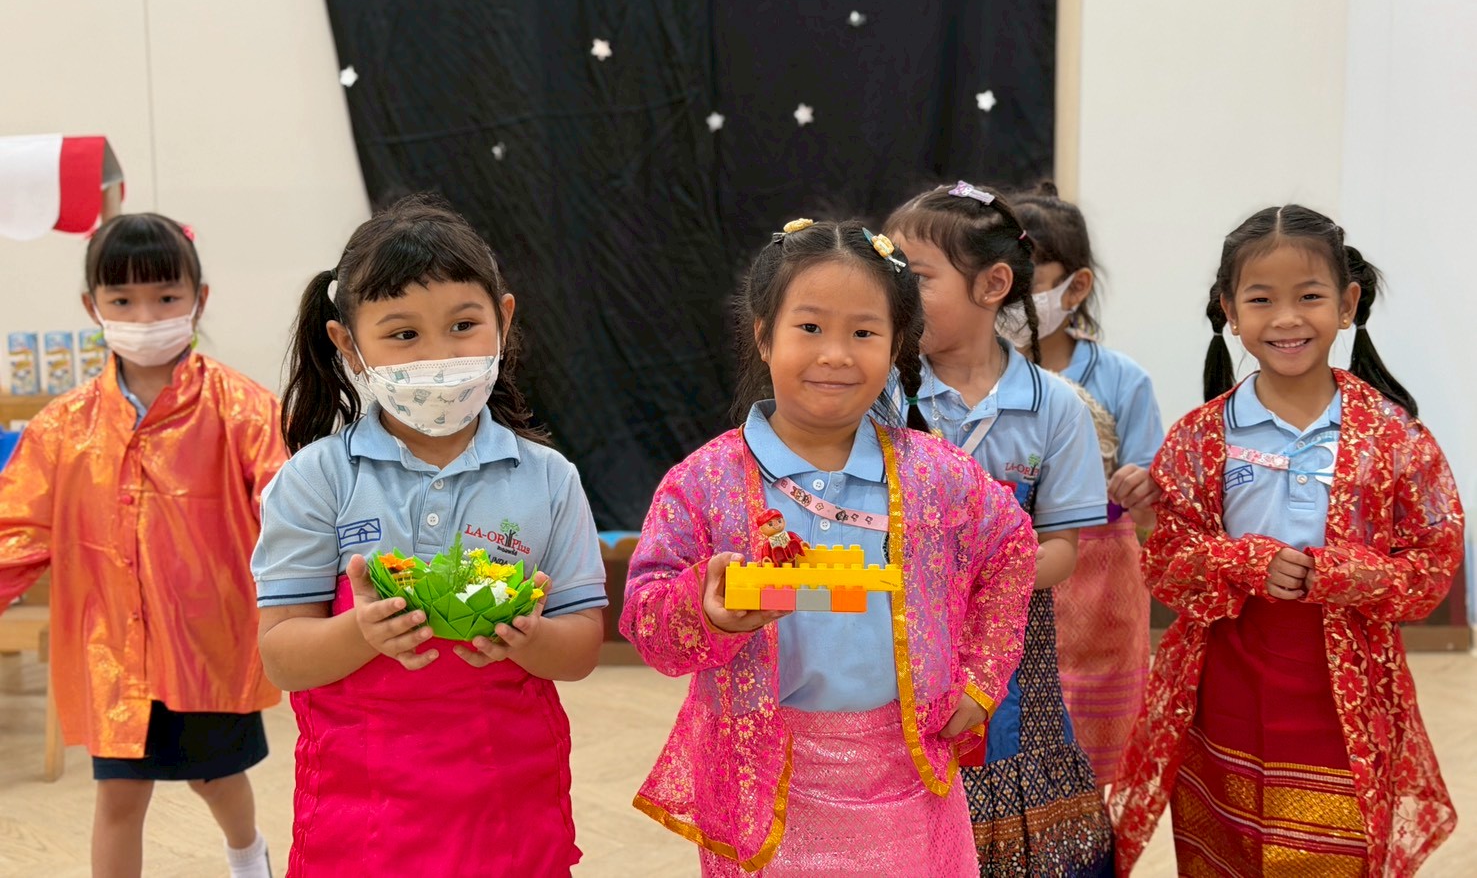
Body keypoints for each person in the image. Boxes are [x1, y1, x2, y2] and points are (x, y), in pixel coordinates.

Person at [623, 217, 1036, 876]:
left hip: (907, 781)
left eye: (864, 333)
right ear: (764, 336)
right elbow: (646, 622)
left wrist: (982, 676)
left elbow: (1012, 546)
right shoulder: (703, 482)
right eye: (810, 327)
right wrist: (704, 610)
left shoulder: (937, 474)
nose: (836, 355)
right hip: (759, 783)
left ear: (897, 344)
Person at [252, 196, 606, 875]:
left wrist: (531, 638)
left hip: (510, 811)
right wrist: (362, 632)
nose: (439, 356)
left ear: (503, 318)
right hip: (362, 822)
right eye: (404, 335)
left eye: (463, 325)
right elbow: (282, 658)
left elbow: (582, 647)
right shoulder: (316, 478)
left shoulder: (548, 479)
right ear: (348, 344)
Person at [1109, 204, 1464, 876]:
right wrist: (1245, 561)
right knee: (1230, 847)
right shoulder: (1199, 435)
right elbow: (1167, 561)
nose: (1285, 319)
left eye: (1308, 297)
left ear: (1347, 304)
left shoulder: (1394, 436)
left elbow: (1433, 559)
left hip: (1346, 686)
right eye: (1260, 299)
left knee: (1335, 850)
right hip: (1225, 680)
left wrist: (1341, 575)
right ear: (1229, 310)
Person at [0, 213, 282, 878]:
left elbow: (290, 514)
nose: (145, 316)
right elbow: (14, 530)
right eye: (122, 300)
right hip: (111, 650)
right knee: (119, 796)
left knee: (217, 778)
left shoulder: (244, 410)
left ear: (199, 299)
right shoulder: (62, 427)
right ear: (92, 306)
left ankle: (248, 855)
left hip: (210, 642)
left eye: (165, 296)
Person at [886, 182, 1114, 875]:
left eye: (915, 278)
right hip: (898, 646)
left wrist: (981, 571)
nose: (894, 296)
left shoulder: (1056, 408)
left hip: (1016, 654)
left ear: (992, 285)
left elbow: (1062, 550)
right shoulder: (881, 394)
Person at [1010, 182, 1164, 786]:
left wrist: (1142, 487)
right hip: (1008, 568)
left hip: (1102, 581)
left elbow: (1153, 507)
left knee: (1089, 742)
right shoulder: (971, 378)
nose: (1009, 296)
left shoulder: (1124, 379)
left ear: (1074, 288)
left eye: (1028, 281)